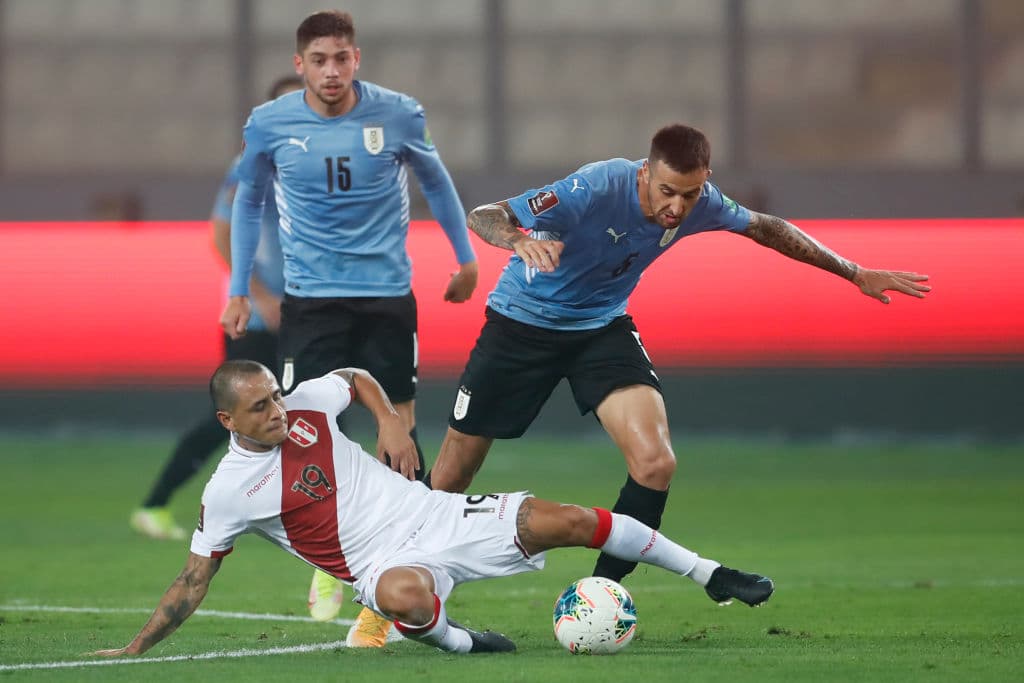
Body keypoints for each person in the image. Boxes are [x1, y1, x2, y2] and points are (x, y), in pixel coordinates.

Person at [427, 123, 932, 584]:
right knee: (451, 477)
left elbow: (767, 227)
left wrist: (854, 272)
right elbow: (486, 215)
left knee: (655, 463)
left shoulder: (704, 202)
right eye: (666, 191)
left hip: (600, 328)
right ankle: (385, 597)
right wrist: (517, 240)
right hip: (521, 324)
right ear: (646, 173)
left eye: (688, 194)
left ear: (705, 180)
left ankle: (601, 594)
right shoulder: (598, 185)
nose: (676, 207)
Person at [92, 360, 774, 659]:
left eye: (275, 395)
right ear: (226, 418)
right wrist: (136, 645)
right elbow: (192, 581)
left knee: (567, 518)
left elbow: (352, 377)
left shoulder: (305, 403)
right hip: (381, 561)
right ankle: (460, 640)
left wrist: (388, 417)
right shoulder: (228, 491)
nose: (278, 409)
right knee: (401, 597)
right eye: (260, 406)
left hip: (435, 514)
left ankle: (710, 573)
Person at [219, 10, 478, 643]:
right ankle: (330, 562)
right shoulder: (270, 124)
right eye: (319, 60)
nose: (331, 71)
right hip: (311, 301)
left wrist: (465, 256)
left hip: (387, 297)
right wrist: (237, 290)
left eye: (341, 58)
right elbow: (249, 202)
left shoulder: (398, 114)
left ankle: (382, 598)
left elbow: (437, 184)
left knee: (401, 437)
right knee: (306, 431)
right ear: (299, 63)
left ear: (356, 59)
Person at [130, 75, 304, 542]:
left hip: (310, 310)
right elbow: (220, 231)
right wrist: (256, 292)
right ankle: (157, 502)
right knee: (238, 412)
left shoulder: (325, 161)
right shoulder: (252, 162)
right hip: (259, 315)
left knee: (318, 408)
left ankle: (312, 513)